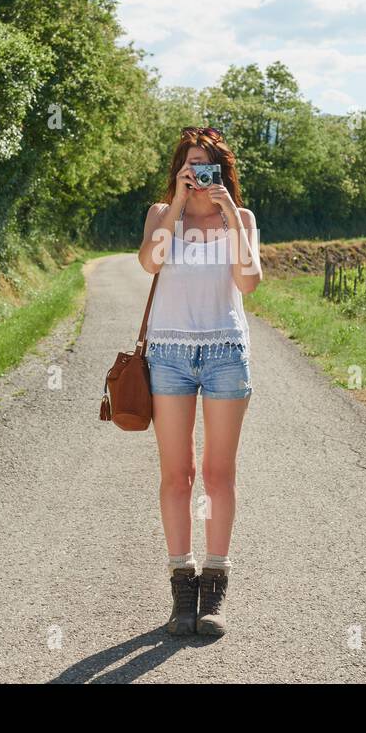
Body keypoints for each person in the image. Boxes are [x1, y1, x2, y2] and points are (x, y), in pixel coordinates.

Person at [136, 126, 262, 636]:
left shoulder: (243, 218)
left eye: (207, 166)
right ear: (179, 171)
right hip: (168, 352)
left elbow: (249, 281)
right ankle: (181, 587)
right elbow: (149, 262)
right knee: (176, 475)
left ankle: (215, 586)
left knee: (217, 474)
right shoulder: (161, 215)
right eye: (190, 166)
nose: (199, 173)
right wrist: (177, 204)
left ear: (223, 172)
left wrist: (229, 212)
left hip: (225, 352)